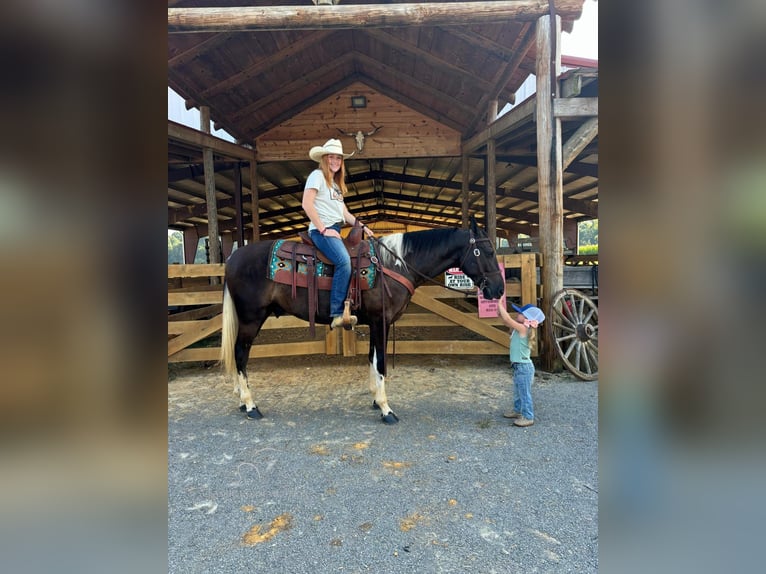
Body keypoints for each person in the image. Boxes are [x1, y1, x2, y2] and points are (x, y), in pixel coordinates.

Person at [301, 138, 374, 330]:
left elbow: (345, 214)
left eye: (338, 158)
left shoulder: (334, 184)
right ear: (324, 159)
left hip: (333, 229)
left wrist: (363, 227)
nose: (335, 161)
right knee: (344, 262)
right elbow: (306, 204)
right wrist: (324, 229)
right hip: (321, 230)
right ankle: (336, 313)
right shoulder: (317, 176)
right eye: (331, 157)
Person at [497, 302, 546, 427]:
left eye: (520, 313)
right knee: (518, 391)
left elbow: (507, 318)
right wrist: (500, 306)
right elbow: (505, 320)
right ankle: (518, 410)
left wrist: (498, 303)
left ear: (526, 318)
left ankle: (528, 416)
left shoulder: (523, 328)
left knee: (524, 393)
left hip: (524, 367)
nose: (517, 314)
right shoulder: (518, 328)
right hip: (519, 366)